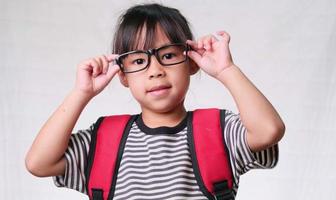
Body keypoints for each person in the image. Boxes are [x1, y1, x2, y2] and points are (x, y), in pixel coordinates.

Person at [25, 3, 285, 200]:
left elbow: (268, 131)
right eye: (139, 60)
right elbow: (39, 163)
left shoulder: (219, 130)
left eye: (169, 55)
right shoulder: (104, 141)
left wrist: (226, 70)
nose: (155, 70)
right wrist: (81, 93)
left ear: (192, 63)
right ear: (122, 75)